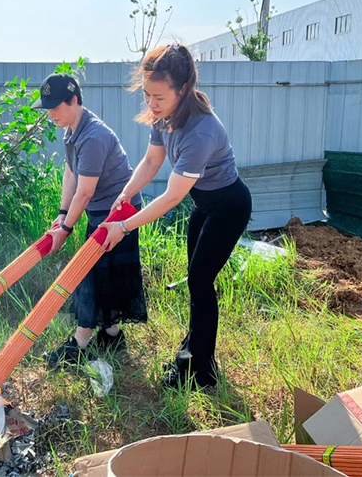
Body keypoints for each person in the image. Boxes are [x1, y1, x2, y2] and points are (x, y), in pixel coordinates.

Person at [100, 44, 252, 389]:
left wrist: (123, 227)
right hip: (204, 206)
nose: (151, 105)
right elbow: (151, 161)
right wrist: (126, 193)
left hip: (229, 207)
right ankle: (193, 353)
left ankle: (201, 373)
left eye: (159, 97)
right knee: (196, 280)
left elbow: (170, 197)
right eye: (147, 95)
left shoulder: (201, 131)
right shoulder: (165, 117)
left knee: (200, 281)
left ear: (182, 90)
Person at [32, 73, 147, 368]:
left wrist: (66, 230)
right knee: (103, 274)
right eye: (47, 108)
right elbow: (71, 173)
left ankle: (80, 343)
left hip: (119, 214)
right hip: (102, 211)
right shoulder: (72, 130)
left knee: (90, 276)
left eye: (55, 107)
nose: (50, 114)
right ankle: (112, 334)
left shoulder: (93, 136)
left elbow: (85, 192)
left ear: (74, 100)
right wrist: (61, 215)